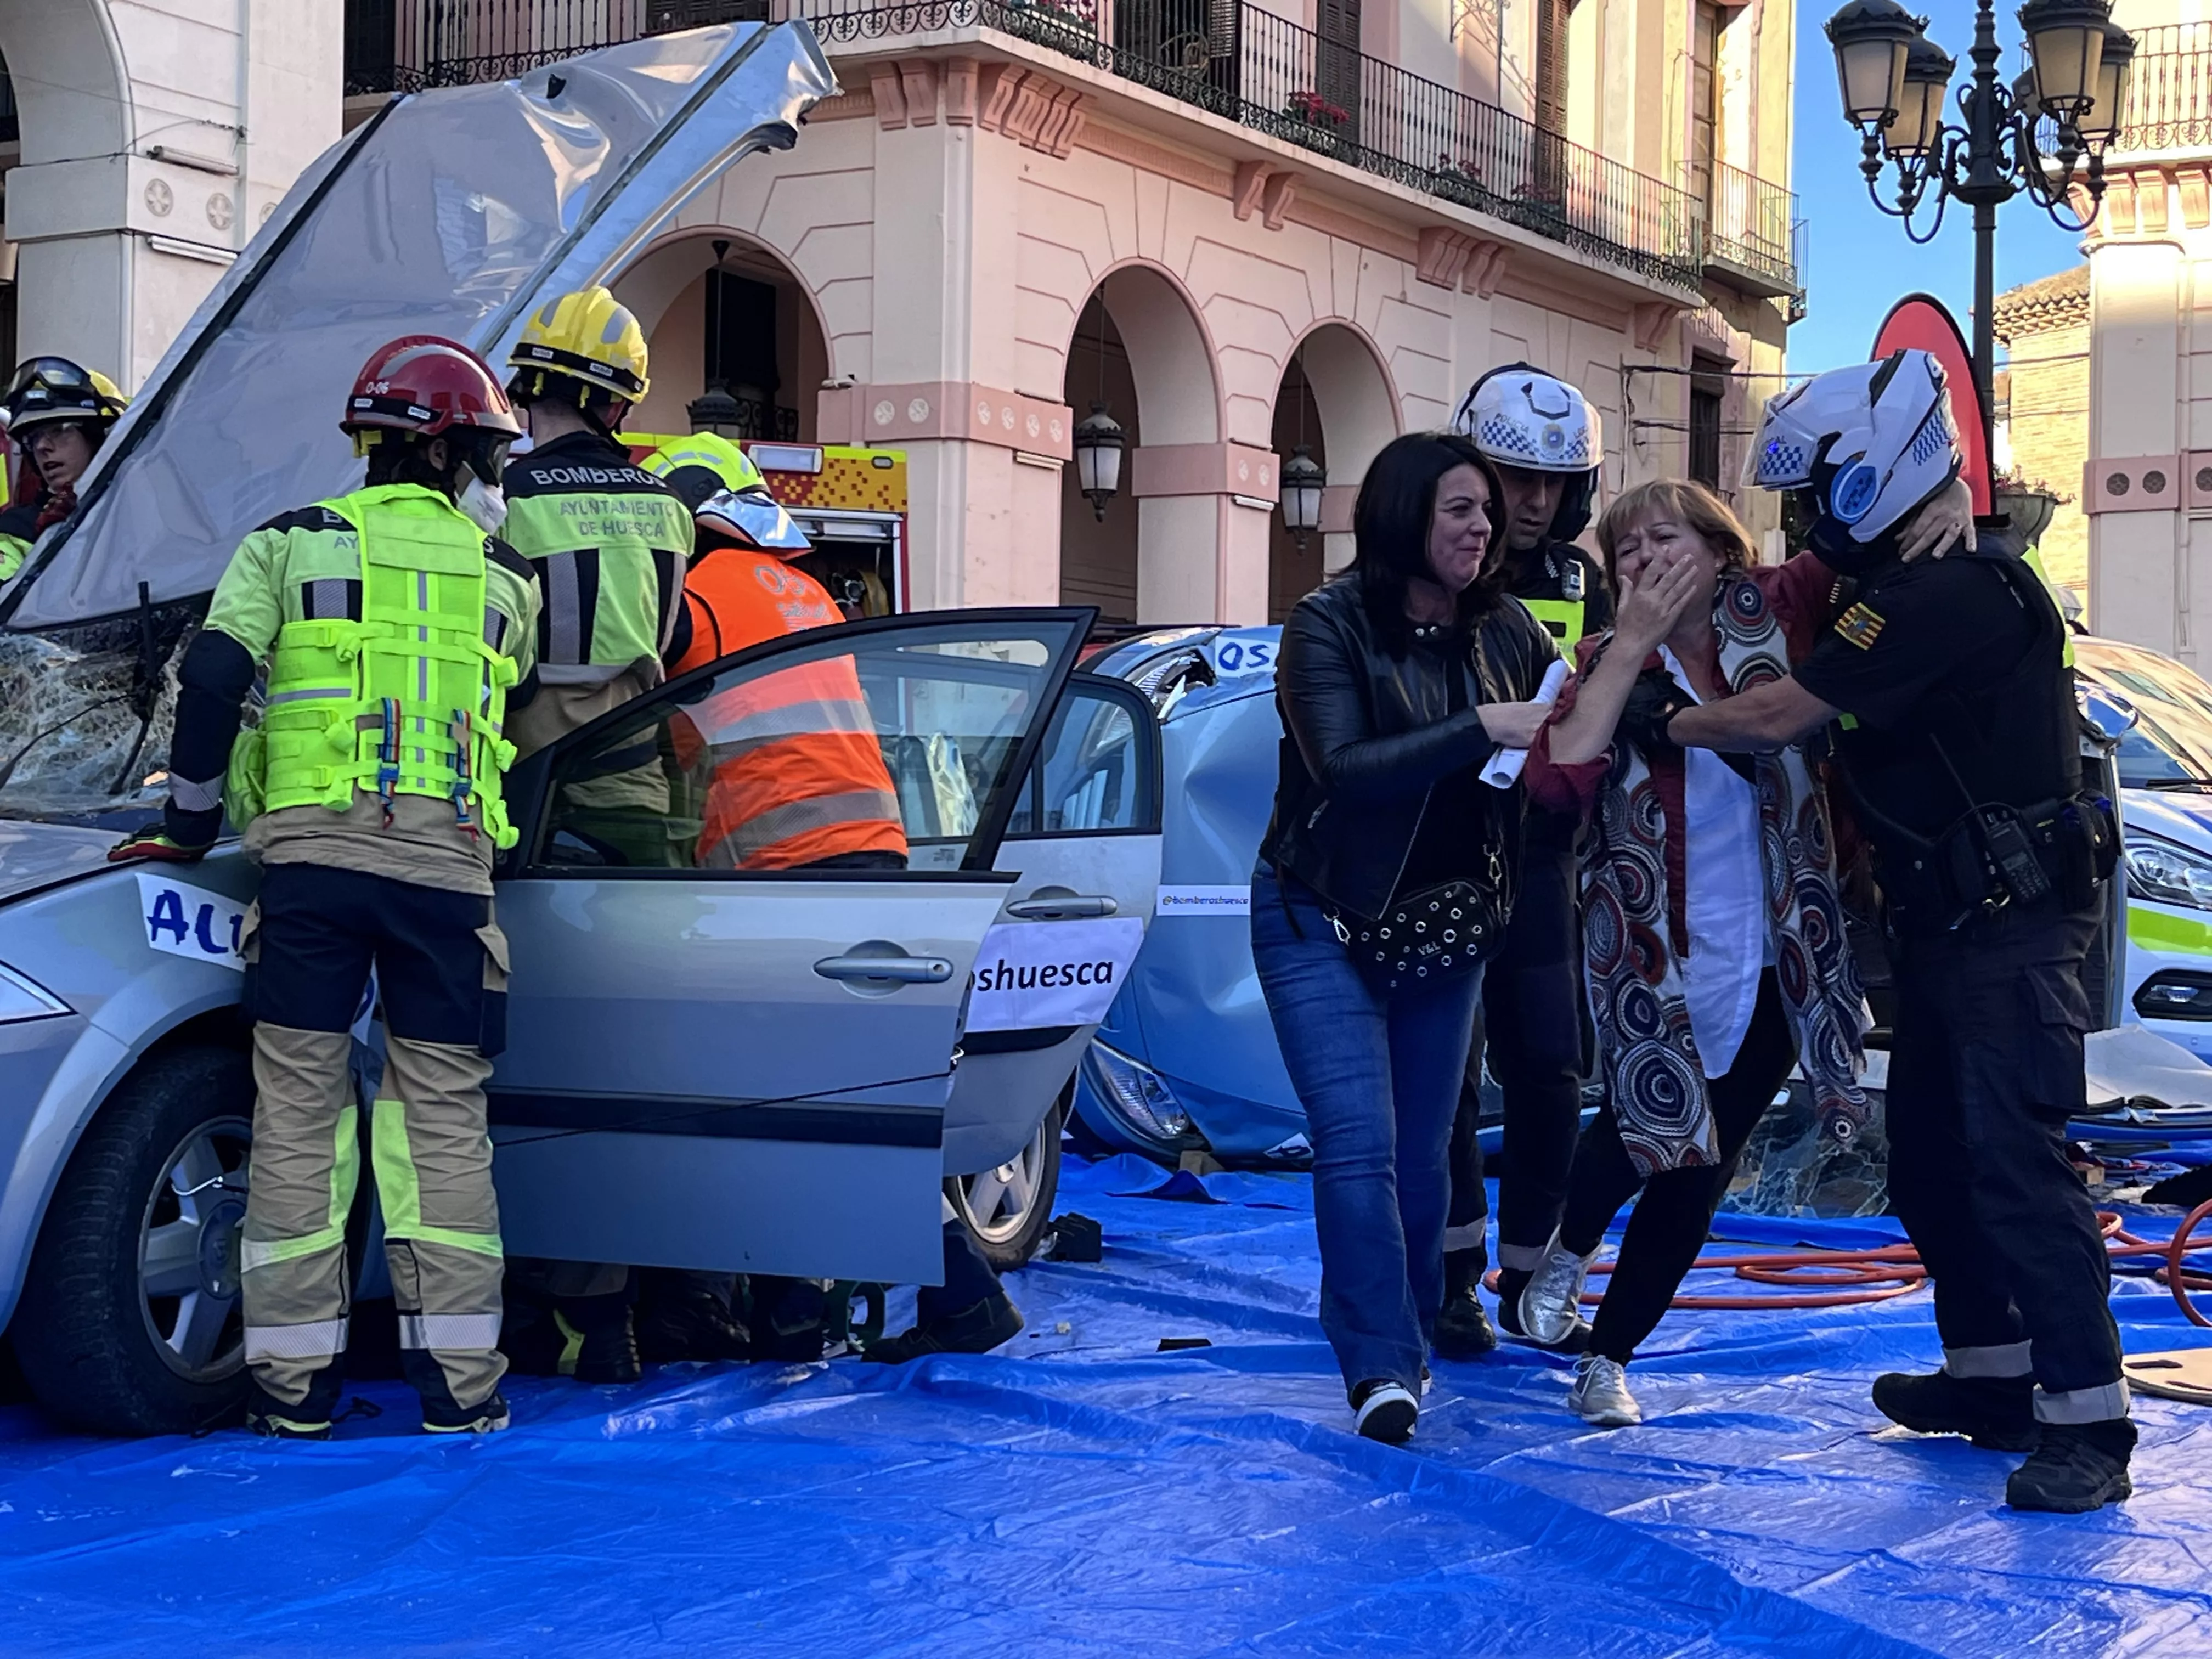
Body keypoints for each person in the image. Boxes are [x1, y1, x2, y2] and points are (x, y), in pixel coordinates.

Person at [1662, 349, 2132, 1513]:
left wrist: (1662, 719)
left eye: (1820, 500)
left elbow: (1778, 713)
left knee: (2018, 1173)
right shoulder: (1920, 587)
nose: (1809, 526)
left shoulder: (1953, 596)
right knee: (1928, 1163)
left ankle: (2089, 1422)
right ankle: (1991, 1377)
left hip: (2008, 933)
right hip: (1951, 931)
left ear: (1876, 477)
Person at [106, 336, 537, 1438]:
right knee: (440, 1125)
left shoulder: (290, 545)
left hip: (308, 876)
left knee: (298, 1120)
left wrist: (190, 820)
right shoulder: (506, 582)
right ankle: (461, 1390)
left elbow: (210, 676)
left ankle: (291, 1392)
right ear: (451, 451)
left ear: (370, 442)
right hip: (446, 880)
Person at [1517, 481, 1872, 1427]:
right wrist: (1629, 646)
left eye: (1662, 538)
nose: (1642, 561)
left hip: (1780, 949)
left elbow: (1852, 526)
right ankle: (1566, 1250)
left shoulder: (1778, 615)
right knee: (1647, 1119)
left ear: (1723, 549)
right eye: (1623, 550)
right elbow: (1554, 785)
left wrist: (1954, 498)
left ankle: (1609, 1353)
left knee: (1699, 1162)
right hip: (1651, 945)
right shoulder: (1599, 660)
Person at [1250, 432, 1559, 1444]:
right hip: (1319, 913)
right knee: (1359, 1143)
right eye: (1460, 509)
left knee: (1428, 1154)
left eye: (1486, 511)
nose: (1485, 526)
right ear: (1401, 517)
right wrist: (1484, 727)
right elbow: (1341, 766)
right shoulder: (1324, 624)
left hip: (1447, 924)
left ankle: (1410, 1334)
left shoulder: (1508, 629)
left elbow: (1577, 723)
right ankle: (1379, 1365)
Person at [495, 286, 694, 1384]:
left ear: (536, 384)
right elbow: (668, 646)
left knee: (529, 1067)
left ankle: (557, 1305)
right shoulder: (667, 507)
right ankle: (616, 1307)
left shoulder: (506, 502)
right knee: (627, 1066)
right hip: (644, 809)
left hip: (533, 803)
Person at [1434, 365, 1609, 1354]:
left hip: (1545, 859)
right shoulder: (1430, 573)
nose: (1534, 501)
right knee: (1447, 1075)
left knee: (1549, 1066)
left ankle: (1537, 1279)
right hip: (1448, 858)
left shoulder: (1592, 584)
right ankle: (1452, 1274)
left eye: (1555, 481)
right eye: (1515, 477)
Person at [0, 358, 130, 580]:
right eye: (33, 438)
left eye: (58, 429)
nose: (42, 446)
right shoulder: (16, 529)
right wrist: (52, 546)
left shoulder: (142, 509)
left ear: (98, 437)